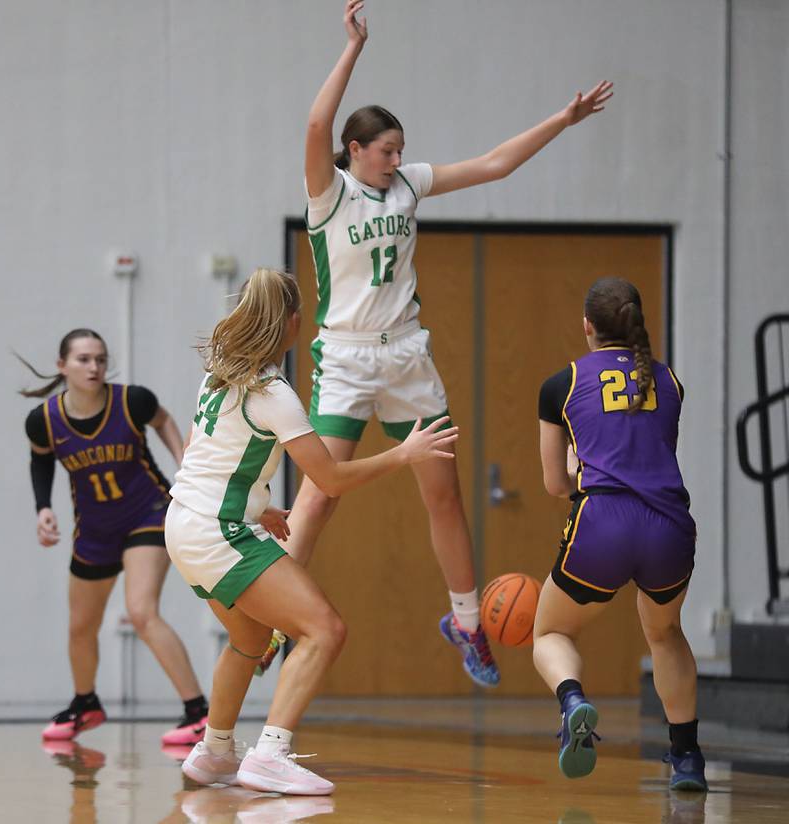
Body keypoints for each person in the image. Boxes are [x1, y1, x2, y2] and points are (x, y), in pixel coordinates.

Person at [289, 0, 613, 688]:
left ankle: (466, 622)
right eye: (386, 150)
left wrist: (564, 119)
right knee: (319, 495)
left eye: (402, 150)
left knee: (444, 495)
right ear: (355, 151)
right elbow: (317, 121)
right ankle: (273, 609)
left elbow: (495, 165)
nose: (398, 159)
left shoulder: (408, 186)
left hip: (405, 353)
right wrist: (353, 48)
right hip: (346, 358)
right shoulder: (329, 193)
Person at [169, 268, 457, 796]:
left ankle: (214, 751)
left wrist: (259, 508)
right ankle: (271, 754)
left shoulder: (218, 375)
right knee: (325, 629)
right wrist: (403, 453)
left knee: (249, 639)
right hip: (216, 531)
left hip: (184, 523)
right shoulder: (272, 391)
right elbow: (329, 479)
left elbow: (205, 457)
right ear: (295, 323)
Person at [533, 277, 707, 791]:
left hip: (603, 521)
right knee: (665, 634)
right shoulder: (670, 380)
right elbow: (648, 452)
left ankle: (573, 701)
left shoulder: (559, 384)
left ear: (587, 325)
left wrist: (573, 461)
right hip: (668, 527)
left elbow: (554, 485)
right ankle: (687, 757)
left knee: (550, 632)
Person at [21, 329, 209, 745]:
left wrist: (184, 462)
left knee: (141, 611)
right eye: (84, 359)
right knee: (80, 627)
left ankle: (198, 713)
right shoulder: (44, 421)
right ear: (62, 366)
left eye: (100, 359)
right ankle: (86, 704)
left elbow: (163, 419)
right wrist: (43, 508)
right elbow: (40, 464)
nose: (94, 367)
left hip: (148, 513)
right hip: (94, 527)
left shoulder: (131, 400)